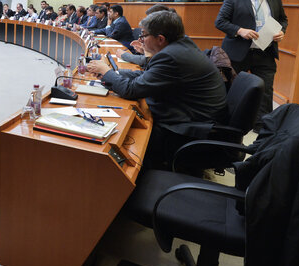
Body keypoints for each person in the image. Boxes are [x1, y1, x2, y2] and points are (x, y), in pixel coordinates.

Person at [87, 11, 228, 169]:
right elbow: (147, 75)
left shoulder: (171, 57)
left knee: (123, 138)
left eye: (144, 35)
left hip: (187, 128)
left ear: (160, 39)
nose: (141, 40)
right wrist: (114, 74)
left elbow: (131, 90)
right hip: (195, 116)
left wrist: (107, 72)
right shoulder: (181, 46)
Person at [215, 0, 288, 128]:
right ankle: (227, 122)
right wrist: (240, 31)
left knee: (265, 90)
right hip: (238, 52)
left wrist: (281, 31)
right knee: (231, 87)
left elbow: (283, 19)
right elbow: (220, 22)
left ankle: (262, 126)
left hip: (265, 52)